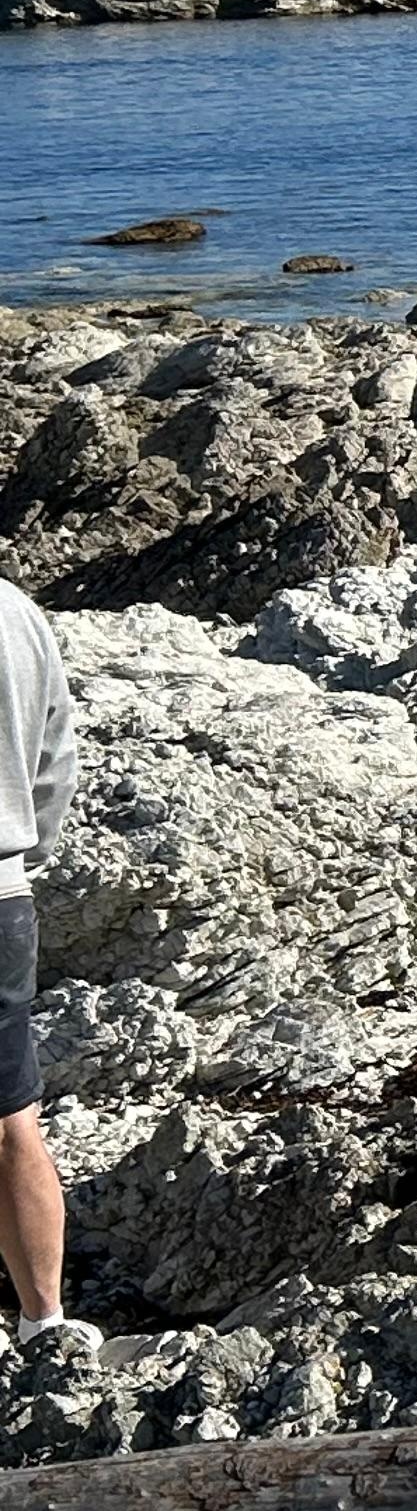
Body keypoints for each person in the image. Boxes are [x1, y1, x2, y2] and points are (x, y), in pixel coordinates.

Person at [0, 574, 92, 1354]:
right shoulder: (17, 612)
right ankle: (45, 1323)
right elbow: (56, 759)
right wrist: (28, 857)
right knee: (11, 1120)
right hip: (3, 898)